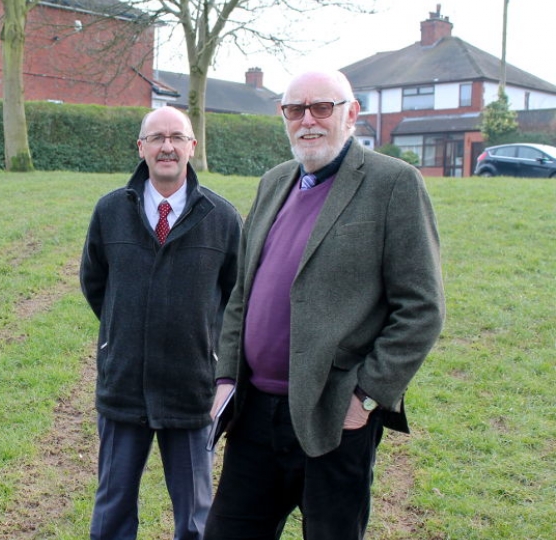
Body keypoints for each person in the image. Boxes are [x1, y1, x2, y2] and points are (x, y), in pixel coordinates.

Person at [203, 70, 445, 539]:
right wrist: (227, 378)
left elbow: (422, 308)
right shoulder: (274, 182)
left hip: (335, 416)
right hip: (255, 415)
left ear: (351, 114)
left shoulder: (393, 184)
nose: (307, 120)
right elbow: (241, 293)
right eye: (295, 110)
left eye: (321, 108)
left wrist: (366, 397)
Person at [80, 105, 242, 540]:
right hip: (124, 383)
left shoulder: (222, 219)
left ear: (192, 146)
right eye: (156, 138)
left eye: (176, 137)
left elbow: (236, 296)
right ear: (141, 148)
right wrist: (122, 334)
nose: (166, 146)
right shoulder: (110, 211)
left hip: (193, 387)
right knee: (112, 509)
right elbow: (95, 282)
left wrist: (210, 349)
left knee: (195, 517)